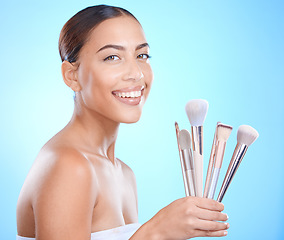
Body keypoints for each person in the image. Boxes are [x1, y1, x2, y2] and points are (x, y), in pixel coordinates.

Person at [16, 5, 229, 240]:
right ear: (72, 75)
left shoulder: (125, 175)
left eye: (141, 55)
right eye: (112, 57)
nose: (136, 73)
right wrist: (155, 232)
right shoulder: (68, 166)